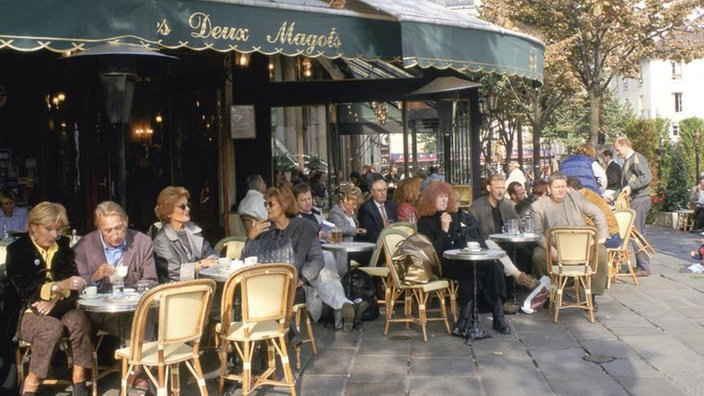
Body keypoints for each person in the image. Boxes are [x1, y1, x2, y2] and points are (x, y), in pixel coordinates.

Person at [245, 187, 364, 332]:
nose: (267, 208)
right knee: (326, 276)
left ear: (283, 205)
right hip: (266, 281)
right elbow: (245, 258)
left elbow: (317, 258)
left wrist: (303, 278)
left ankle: (342, 312)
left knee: (326, 275)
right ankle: (345, 308)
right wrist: (251, 237)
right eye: (265, 204)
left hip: (296, 278)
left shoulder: (304, 227)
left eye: (270, 204)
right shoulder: (264, 228)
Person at [5, 202, 92, 396]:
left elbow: (74, 283)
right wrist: (59, 286)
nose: (53, 235)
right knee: (50, 329)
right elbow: (26, 290)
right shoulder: (17, 251)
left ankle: (79, 379)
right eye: (49, 229)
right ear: (33, 226)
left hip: (61, 306)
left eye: (57, 230)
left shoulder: (62, 246)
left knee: (80, 320)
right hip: (27, 311)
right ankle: (32, 382)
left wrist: (56, 298)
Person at [416, 182, 510, 334]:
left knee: (495, 265)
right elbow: (435, 252)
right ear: (431, 199)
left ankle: (498, 316)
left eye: (446, 196)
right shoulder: (424, 223)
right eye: (440, 197)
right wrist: (444, 230)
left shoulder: (453, 216)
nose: (445, 200)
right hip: (443, 264)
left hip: (463, 259)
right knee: (469, 271)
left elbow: (462, 240)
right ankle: (465, 318)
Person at [529, 172, 609, 309]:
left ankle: (592, 295)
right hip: (555, 248)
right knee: (538, 256)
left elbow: (598, 213)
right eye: (557, 187)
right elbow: (537, 233)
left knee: (600, 253)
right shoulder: (538, 206)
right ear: (548, 188)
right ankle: (550, 291)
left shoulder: (576, 198)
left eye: (563, 186)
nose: (561, 190)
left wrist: (600, 238)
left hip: (582, 247)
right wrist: (549, 248)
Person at [73, 201, 158, 329]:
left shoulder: (143, 242)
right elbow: (79, 287)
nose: (115, 235)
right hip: (100, 313)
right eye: (108, 230)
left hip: (134, 308)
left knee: (144, 319)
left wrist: (132, 293)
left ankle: (139, 348)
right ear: (99, 229)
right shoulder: (83, 247)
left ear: (126, 222)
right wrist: (96, 276)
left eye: (119, 228)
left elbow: (151, 280)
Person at [468, 174, 539, 290]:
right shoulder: (477, 206)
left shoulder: (506, 204)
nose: (501, 192)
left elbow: (519, 224)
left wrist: (524, 230)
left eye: (502, 188)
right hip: (486, 244)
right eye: (497, 188)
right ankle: (518, 281)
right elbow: (475, 232)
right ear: (489, 188)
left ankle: (518, 288)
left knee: (525, 252)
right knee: (501, 253)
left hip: (506, 242)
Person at [152, 186, 218, 283]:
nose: (187, 209)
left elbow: (211, 252)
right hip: (177, 292)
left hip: (202, 285)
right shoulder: (161, 240)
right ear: (168, 212)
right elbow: (174, 273)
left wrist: (212, 260)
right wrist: (201, 264)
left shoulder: (193, 229)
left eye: (188, 205)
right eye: (182, 207)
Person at [614, 136, 653, 277]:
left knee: (638, 232)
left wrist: (631, 186)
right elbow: (625, 187)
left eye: (618, 150)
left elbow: (647, 177)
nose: (617, 153)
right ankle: (641, 264)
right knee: (636, 232)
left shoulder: (636, 158)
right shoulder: (628, 161)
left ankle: (644, 266)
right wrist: (612, 196)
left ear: (625, 145)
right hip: (635, 200)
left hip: (639, 200)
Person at [566, 177, 622, 248]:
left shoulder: (584, 199)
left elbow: (588, 226)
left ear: (571, 189)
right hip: (612, 235)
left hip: (610, 237)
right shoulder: (586, 194)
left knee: (574, 246)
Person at [357, 179, 398, 243]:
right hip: (376, 244)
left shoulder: (392, 205)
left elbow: (396, 225)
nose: (383, 193)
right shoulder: (366, 209)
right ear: (372, 192)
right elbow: (370, 233)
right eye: (379, 190)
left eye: (384, 189)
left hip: (393, 242)